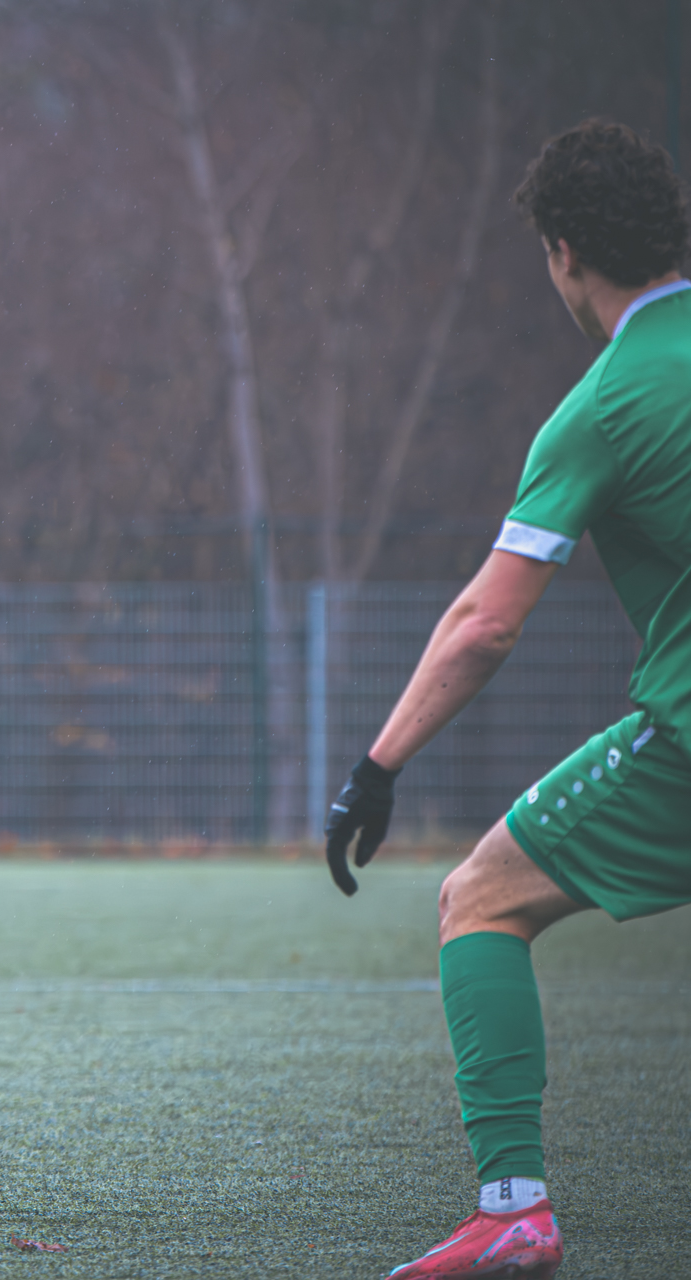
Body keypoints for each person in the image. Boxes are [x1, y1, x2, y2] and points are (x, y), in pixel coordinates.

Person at [323, 120, 691, 1280]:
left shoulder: (606, 403)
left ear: (564, 252)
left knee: (480, 897)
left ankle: (513, 1208)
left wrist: (377, 766)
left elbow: (485, 623)